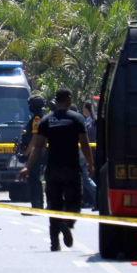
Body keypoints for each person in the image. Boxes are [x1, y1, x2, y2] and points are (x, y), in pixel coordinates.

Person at [19, 87, 94, 252]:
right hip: (72, 168)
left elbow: (38, 147)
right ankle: (66, 224)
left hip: (53, 169)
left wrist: (27, 167)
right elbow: (85, 144)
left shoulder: (47, 120)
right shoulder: (77, 119)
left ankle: (55, 241)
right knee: (74, 204)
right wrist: (90, 164)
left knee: (55, 205)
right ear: (68, 99)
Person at [20, 95, 46, 211]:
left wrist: (26, 154)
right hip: (38, 153)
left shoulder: (37, 119)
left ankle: (37, 204)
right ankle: (38, 203)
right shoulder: (40, 117)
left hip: (35, 154)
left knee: (34, 178)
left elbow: (35, 139)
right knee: (35, 179)